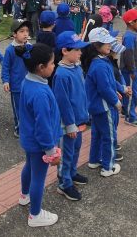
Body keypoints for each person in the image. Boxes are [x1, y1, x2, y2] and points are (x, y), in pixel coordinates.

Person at [16, 43, 62, 227]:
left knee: (29, 167)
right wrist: (51, 152)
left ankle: (24, 195)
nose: (55, 65)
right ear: (41, 67)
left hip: (29, 139)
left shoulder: (28, 81)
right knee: (39, 177)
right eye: (52, 63)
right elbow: (43, 126)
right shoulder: (41, 92)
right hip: (40, 144)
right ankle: (35, 215)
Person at [52, 31, 90, 201]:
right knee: (66, 154)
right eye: (77, 50)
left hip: (80, 119)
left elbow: (82, 93)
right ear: (65, 51)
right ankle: (64, 183)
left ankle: (72, 173)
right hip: (69, 124)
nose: (80, 52)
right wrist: (69, 124)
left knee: (75, 150)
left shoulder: (77, 67)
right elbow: (63, 103)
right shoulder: (61, 74)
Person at [84, 27, 122, 178]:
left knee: (97, 134)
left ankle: (94, 160)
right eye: (106, 43)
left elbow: (109, 82)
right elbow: (105, 88)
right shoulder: (100, 65)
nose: (110, 45)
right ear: (96, 46)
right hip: (105, 107)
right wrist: (116, 102)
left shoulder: (99, 61)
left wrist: (121, 88)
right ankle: (108, 166)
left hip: (96, 107)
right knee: (109, 136)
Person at [2, 19, 31, 137]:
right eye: (21, 31)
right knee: (18, 109)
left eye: (27, 31)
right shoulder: (10, 50)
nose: (25, 34)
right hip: (16, 86)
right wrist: (6, 81)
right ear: (14, 34)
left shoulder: (29, 47)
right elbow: (5, 67)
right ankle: (19, 128)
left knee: (28, 107)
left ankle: (28, 126)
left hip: (29, 83)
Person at [120, 9, 137, 127]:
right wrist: (132, 70)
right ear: (131, 22)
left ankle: (129, 110)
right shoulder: (130, 36)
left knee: (131, 93)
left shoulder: (132, 34)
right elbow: (128, 54)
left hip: (134, 69)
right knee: (131, 94)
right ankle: (130, 117)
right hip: (131, 70)